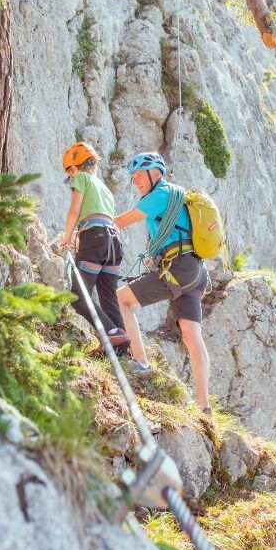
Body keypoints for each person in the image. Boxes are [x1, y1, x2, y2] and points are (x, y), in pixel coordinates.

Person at [115, 151, 211, 412]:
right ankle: (204, 405)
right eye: (133, 177)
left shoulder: (160, 194)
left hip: (178, 268)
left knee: (121, 300)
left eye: (138, 175)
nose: (135, 181)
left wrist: (87, 228)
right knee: (191, 336)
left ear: (154, 173)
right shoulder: (175, 195)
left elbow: (121, 222)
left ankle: (140, 361)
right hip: (195, 272)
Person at [59, 142, 131, 354]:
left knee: (78, 296)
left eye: (69, 175)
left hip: (95, 238)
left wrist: (67, 238)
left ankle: (111, 332)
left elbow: (74, 211)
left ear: (74, 168)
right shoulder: (105, 189)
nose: (71, 179)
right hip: (113, 244)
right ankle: (120, 349)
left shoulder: (82, 178)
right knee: (109, 299)